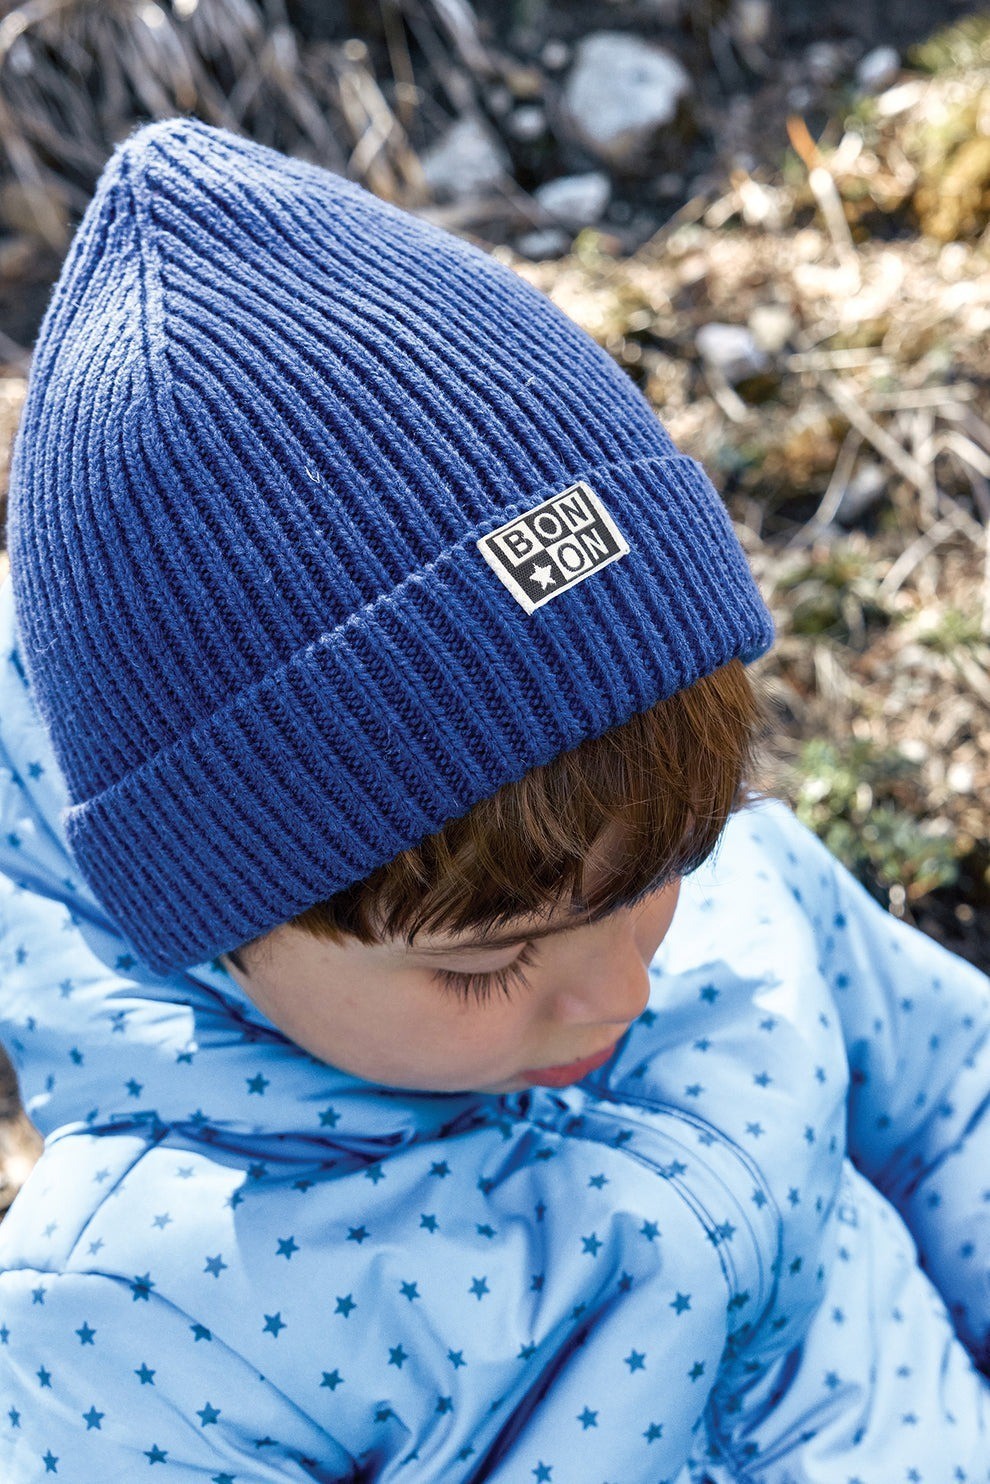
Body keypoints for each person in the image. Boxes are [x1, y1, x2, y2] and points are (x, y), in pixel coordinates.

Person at [0, 117, 986, 1483]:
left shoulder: (738, 894)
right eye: (489, 962)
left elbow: (955, 1100)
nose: (619, 991)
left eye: (665, 869)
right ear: (219, 928)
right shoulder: (135, 1329)